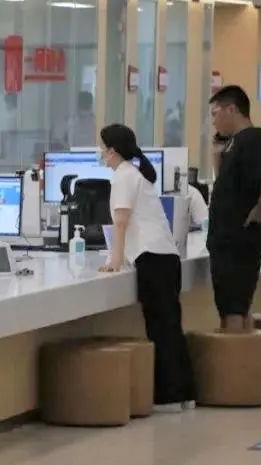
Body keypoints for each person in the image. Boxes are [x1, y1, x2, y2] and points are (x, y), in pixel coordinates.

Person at [97, 124, 195, 409]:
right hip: (166, 257)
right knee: (170, 326)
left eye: (102, 148)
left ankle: (169, 396)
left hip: (152, 258)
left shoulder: (123, 176)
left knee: (160, 329)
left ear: (112, 150)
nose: (100, 153)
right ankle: (183, 392)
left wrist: (115, 260)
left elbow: (121, 221)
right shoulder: (138, 174)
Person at [207, 86, 261, 332]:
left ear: (232, 109)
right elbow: (226, 183)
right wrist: (217, 154)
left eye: (215, 113)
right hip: (229, 239)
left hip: (238, 240)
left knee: (233, 309)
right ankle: (243, 353)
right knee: (237, 308)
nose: (213, 121)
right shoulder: (235, 143)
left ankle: (234, 356)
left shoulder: (252, 139)